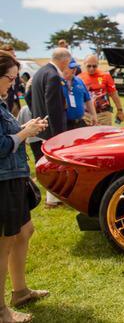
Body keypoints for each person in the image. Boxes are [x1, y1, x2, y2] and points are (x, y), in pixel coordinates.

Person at [0, 51, 50, 323]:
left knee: (24, 231)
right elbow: (1, 146)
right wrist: (24, 133)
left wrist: (25, 127)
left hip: (14, 176)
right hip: (4, 181)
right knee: (4, 243)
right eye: (10, 79)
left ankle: (20, 292)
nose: (13, 84)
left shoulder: (1, 103)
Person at [29, 48, 71, 208]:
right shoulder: (53, 76)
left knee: (49, 163)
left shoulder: (40, 72)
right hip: (51, 129)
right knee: (53, 165)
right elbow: (53, 108)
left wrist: (37, 115)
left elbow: (29, 96)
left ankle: (53, 198)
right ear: (65, 60)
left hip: (42, 125)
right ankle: (52, 199)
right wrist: (58, 135)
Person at [78, 55, 124, 126]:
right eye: (89, 66)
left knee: (104, 133)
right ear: (84, 64)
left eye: (94, 66)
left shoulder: (105, 76)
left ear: (98, 64)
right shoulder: (79, 78)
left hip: (103, 115)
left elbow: (114, 94)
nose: (91, 68)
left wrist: (120, 110)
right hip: (86, 115)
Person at [62, 61, 97, 129]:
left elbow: (87, 99)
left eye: (75, 67)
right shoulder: (58, 82)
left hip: (80, 122)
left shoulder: (79, 81)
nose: (74, 70)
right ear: (63, 68)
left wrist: (93, 115)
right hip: (65, 124)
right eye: (71, 68)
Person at [0, 45, 21, 117]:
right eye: (11, 78)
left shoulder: (14, 71)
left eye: (14, 55)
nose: (13, 83)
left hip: (14, 102)